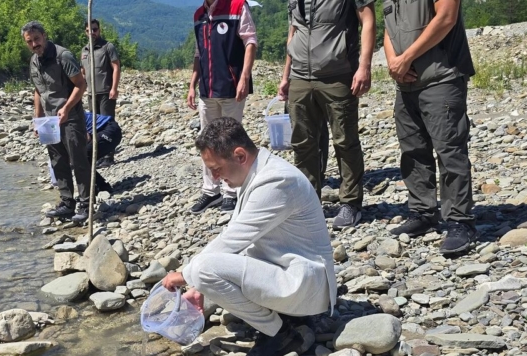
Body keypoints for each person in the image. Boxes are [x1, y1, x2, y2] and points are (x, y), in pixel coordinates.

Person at [161, 117, 336, 356]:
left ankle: (281, 334)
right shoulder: (256, 172)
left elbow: (234, 240)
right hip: (287, 269)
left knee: (202, 269)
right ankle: (284, 317)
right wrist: (199, 288)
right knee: (204, 271)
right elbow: (237, 239)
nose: (215, 177)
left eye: (217, 169)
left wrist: (186, 275)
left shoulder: (276, 180)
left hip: (306, 284)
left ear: (240, 155)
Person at [384, 0, 477, 255]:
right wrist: (394, 62)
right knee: (413, 150)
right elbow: (389, 29)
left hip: (441, 78)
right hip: (406, 85)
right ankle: (423, 213)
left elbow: (446, 17)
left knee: (449, 151)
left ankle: (461, 221)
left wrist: (407, 57)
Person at [278, 0, 376, 229]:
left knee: (345, 141)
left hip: (338, 74)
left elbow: (369, 20)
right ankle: (308, 201)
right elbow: (293, 32)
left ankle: (351, 203)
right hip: (300, 76)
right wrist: (286, 76)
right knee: (302, 143)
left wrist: (364, 66)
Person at [188, 0, 257, 215]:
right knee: (206, 141)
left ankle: (231, 191)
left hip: (232, 85)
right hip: (207, 88)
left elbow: (250, 41)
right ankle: (211, 190)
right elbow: (199, 53)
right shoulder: (199, 14)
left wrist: (245, 76)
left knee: (230, 140)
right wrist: (192, 84)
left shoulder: (237, 6)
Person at [23, 21, 91, 224]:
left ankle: (86, 204)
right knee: (57, 161)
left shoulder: (64, 56)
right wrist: (38, 119)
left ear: (44, 35)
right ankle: (67, 203)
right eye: (30, 41)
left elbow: (81, 84)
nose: (35, 44)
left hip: (70, 116)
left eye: (37, 39)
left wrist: (67, 108)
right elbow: (38, 91)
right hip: (49, 120)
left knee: (78, 160)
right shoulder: (34, 62)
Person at [81, 19, 121, 118]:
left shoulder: (108, 47)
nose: (92, 33)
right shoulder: (84, 50)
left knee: (106, 122)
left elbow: (116, 67)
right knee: (94, 123)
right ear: (85, 32)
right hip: (91, 94)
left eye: (94, 30)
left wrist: (114, 89)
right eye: (88, 30)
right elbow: (83, 72)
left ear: (99, 30)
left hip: (106, 93)